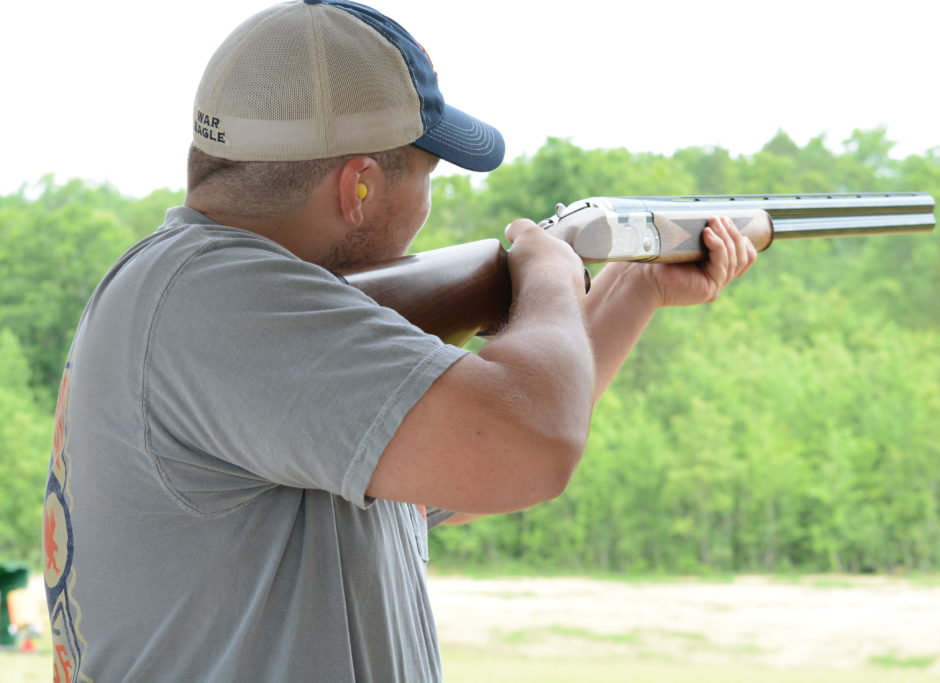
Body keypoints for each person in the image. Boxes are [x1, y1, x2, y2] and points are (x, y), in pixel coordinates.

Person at [42, 1, 756, 680]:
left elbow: (472, 468)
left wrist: (637, 289)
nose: (427, 205)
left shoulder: (202, 302)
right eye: (427, 177)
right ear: (359, 187)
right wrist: (549, 270)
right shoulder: (220, 302)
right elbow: (527, 445)